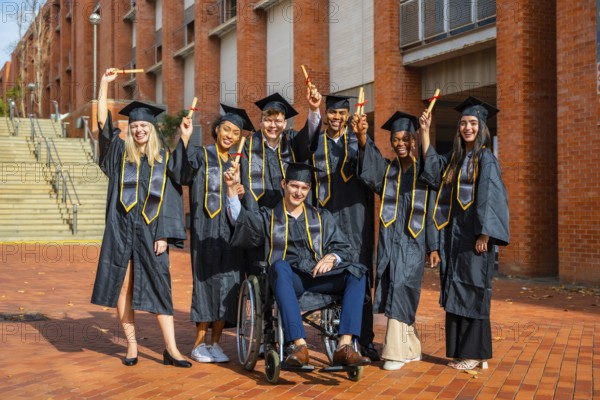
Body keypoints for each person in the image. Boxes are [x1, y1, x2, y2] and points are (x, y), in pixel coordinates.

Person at [225, 161, 371, 368]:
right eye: (294, 186)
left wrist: (332, 257)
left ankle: (344, 346)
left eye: (304, 188)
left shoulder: (321, 217)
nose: (298, 192)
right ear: (284, 184)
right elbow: (241, 221)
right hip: (291, 280)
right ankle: (299, 346)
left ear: (309, 190)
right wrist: (231, 190)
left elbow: (343, 246)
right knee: (280, 266)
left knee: (358, 273)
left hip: (319, 276)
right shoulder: (268, 216)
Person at [91, 68, 191, 368]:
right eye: (134, 125)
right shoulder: (120, 153)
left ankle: (171, 349)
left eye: (144, 125)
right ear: (130, 129)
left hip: (152, 231)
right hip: (121, 228)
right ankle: (132, 346)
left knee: (160, 284)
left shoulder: (165, 158)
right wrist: (104, 85)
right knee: (122, 284)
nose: (138, 129)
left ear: (152, 127)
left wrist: (165, 233)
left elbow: (174, 197)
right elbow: (101, 125)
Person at [420, 96, 510, 370]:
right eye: (463, 123)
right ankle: (464, 353)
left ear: (482, 127)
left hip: (474, 239)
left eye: (473, 123)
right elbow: (433, 172)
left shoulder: (486, 159)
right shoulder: (456, 158)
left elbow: (492, 197)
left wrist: (485, 235)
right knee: (457, 291)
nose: (467, 128)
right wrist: (424, 132)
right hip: (454, 238)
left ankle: (475, 354)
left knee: (474, 291)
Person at [169, 103, 253, 363]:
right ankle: (198, 345)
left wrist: (241, 192)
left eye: (235, 133)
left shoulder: (239, 162)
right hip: (205, 229)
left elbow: (247, 199)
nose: (230, 135)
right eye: (226, 129)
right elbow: (179, 173)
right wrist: (183, 136)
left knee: (229, 284)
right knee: (205, 285)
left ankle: (215, 343)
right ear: (216, 130)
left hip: (229, 232)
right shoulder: (200, 155)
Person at [354, 111, 434, 370]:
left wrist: (433, 246)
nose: (400, 143)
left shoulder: (424, 172)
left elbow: (433, 210)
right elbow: (370, 165)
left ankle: (395, 353)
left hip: (413, 241)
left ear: (413, 141)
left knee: (402, 287)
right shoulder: (389, 171)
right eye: (396, 139)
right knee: (392, 287)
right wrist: (363, 136)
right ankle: (412, 347)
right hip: (389, 241)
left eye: (405, 139)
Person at [308, 93, 378, 360]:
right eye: (333, 113)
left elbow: (375, 175)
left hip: (356, 222)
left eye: (342, 114)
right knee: (329, 276)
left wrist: (362, 139)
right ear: (326, 115)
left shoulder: (359, 140)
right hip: (325, 223)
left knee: (361, 279)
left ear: (348, 116)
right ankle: (338, 337)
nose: (337, 118)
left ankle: (365, 340)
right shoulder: (316, 144)